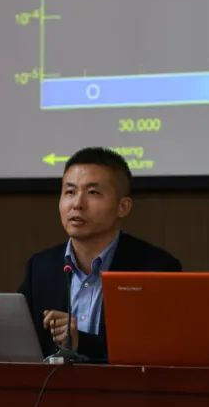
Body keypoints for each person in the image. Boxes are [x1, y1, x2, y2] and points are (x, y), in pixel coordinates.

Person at [18, 147, 181, 362]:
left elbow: (156, 352)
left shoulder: (156, 268)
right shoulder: (41, 267)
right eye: (70, 192)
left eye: (93, 193)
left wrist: (82, 342)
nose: (77, 204)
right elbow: (20, 344)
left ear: (123, 207)